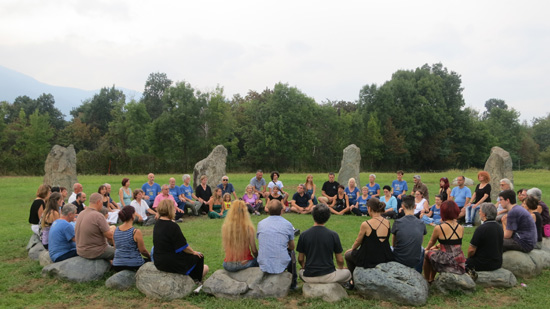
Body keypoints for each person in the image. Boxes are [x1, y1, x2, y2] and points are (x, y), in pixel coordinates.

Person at [153, 199, 209, 283]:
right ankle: (195, 280)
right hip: (169, 262)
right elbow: (184, 247)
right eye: (174, 208)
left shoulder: (157, 224)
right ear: (170, 210)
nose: (175, 210)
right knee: (199, 257)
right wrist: (193, 252)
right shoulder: (173, 226)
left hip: (158, 261)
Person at [297, 203, 352, 284]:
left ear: (313, 215)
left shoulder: (304, 235)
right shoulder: (333, 235)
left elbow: (300, 259)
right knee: (347, 273)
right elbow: (340, 260)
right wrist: (340, 268)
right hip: (328, 275)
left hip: (309, 276)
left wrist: (303, 267)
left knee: (300, 272)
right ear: (328, 217)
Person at [345, 198, 394, 277]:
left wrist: (352, 249)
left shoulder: (366, 224)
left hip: (369, 257)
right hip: (385, 255)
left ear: (369, 208)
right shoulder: (387, 222)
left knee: (348, 255)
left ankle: (352, 280)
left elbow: (358, 241)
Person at [257, 199, 297, 289]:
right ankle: (293, 283)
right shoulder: (288, 224)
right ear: (282, 210)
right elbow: (292, 246)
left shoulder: (261, 224)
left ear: (268, 210)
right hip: (282, 264)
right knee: (292, 253)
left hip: (263, 262)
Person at [423, 200, 466, 283]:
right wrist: (436, 247)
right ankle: (432, 279)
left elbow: (431, 242)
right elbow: (451, 242)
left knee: (427, 254)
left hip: (447, 260)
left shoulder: (439, 228)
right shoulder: (461, 227)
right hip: (459, 260)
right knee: (435, 252)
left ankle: (427, 280)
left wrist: (427, 249)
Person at [75, 192, 115, 260]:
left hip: (80, 250)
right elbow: (109, 235)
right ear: (99, 202)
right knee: (122, 252)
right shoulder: (98, 216)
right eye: (102, 203)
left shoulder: (81, 213)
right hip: (95, 251)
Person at [392, 195, 426, 273]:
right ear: (415, 206)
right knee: (422, 249)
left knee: (390, 248)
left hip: (399, 259)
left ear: (402, 206)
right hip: (415, 259)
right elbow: (420, 242)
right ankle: (418, 273)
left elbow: (394, 244)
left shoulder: (398, 222)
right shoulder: (421, 223)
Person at [222, 200, 259, 272]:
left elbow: (225, 248)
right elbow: (254, 250)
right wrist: (258, 258)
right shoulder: (249, 228)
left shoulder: (225, 227)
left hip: (227, 264)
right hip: (245, 263)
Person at [466, 203, 503, 272]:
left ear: (484, 214)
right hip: (497, 263)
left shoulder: (481, 229)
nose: (479, 213)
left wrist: (469, 258)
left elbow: (471, 250)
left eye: (480, 211)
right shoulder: (499, 227)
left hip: (482, 264)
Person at [113, 206, 151, 272]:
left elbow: (116, 247)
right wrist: (150, 256)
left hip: (117, 264)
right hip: (133, 264)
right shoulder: (135, 232)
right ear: (132, 216)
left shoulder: (115, 230)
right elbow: (143, 251)